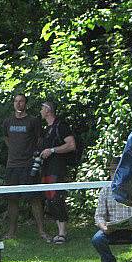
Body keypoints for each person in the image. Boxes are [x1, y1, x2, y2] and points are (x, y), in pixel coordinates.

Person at [2, 92, 46, 240]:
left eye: (21, 101)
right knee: (12, 199)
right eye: (16, 101)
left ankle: (41, 231)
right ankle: (11, 231)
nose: (18, 103)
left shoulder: (33, 121)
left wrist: (32, 154)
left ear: (25, 103)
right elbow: (6, 139)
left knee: (34, 198)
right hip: (12, 165)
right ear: (13, 103)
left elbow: (39, 140)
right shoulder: (8, 121)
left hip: (28, 165)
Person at [38, 99, 76, 244]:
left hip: (57, 167)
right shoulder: (47, 128)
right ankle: (59, 230)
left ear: (48, 110)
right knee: (49, 197)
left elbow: (71, 145)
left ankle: (62, 232)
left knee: (56, 197)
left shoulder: (61, 126)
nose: (40, 112)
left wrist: (52, 150)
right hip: (46, 168)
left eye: (42, 109)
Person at [92, 190, 132, 262]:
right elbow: (99, 215)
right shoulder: (105, 191)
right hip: (112, 230)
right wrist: (104, 228)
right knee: (97, 239)